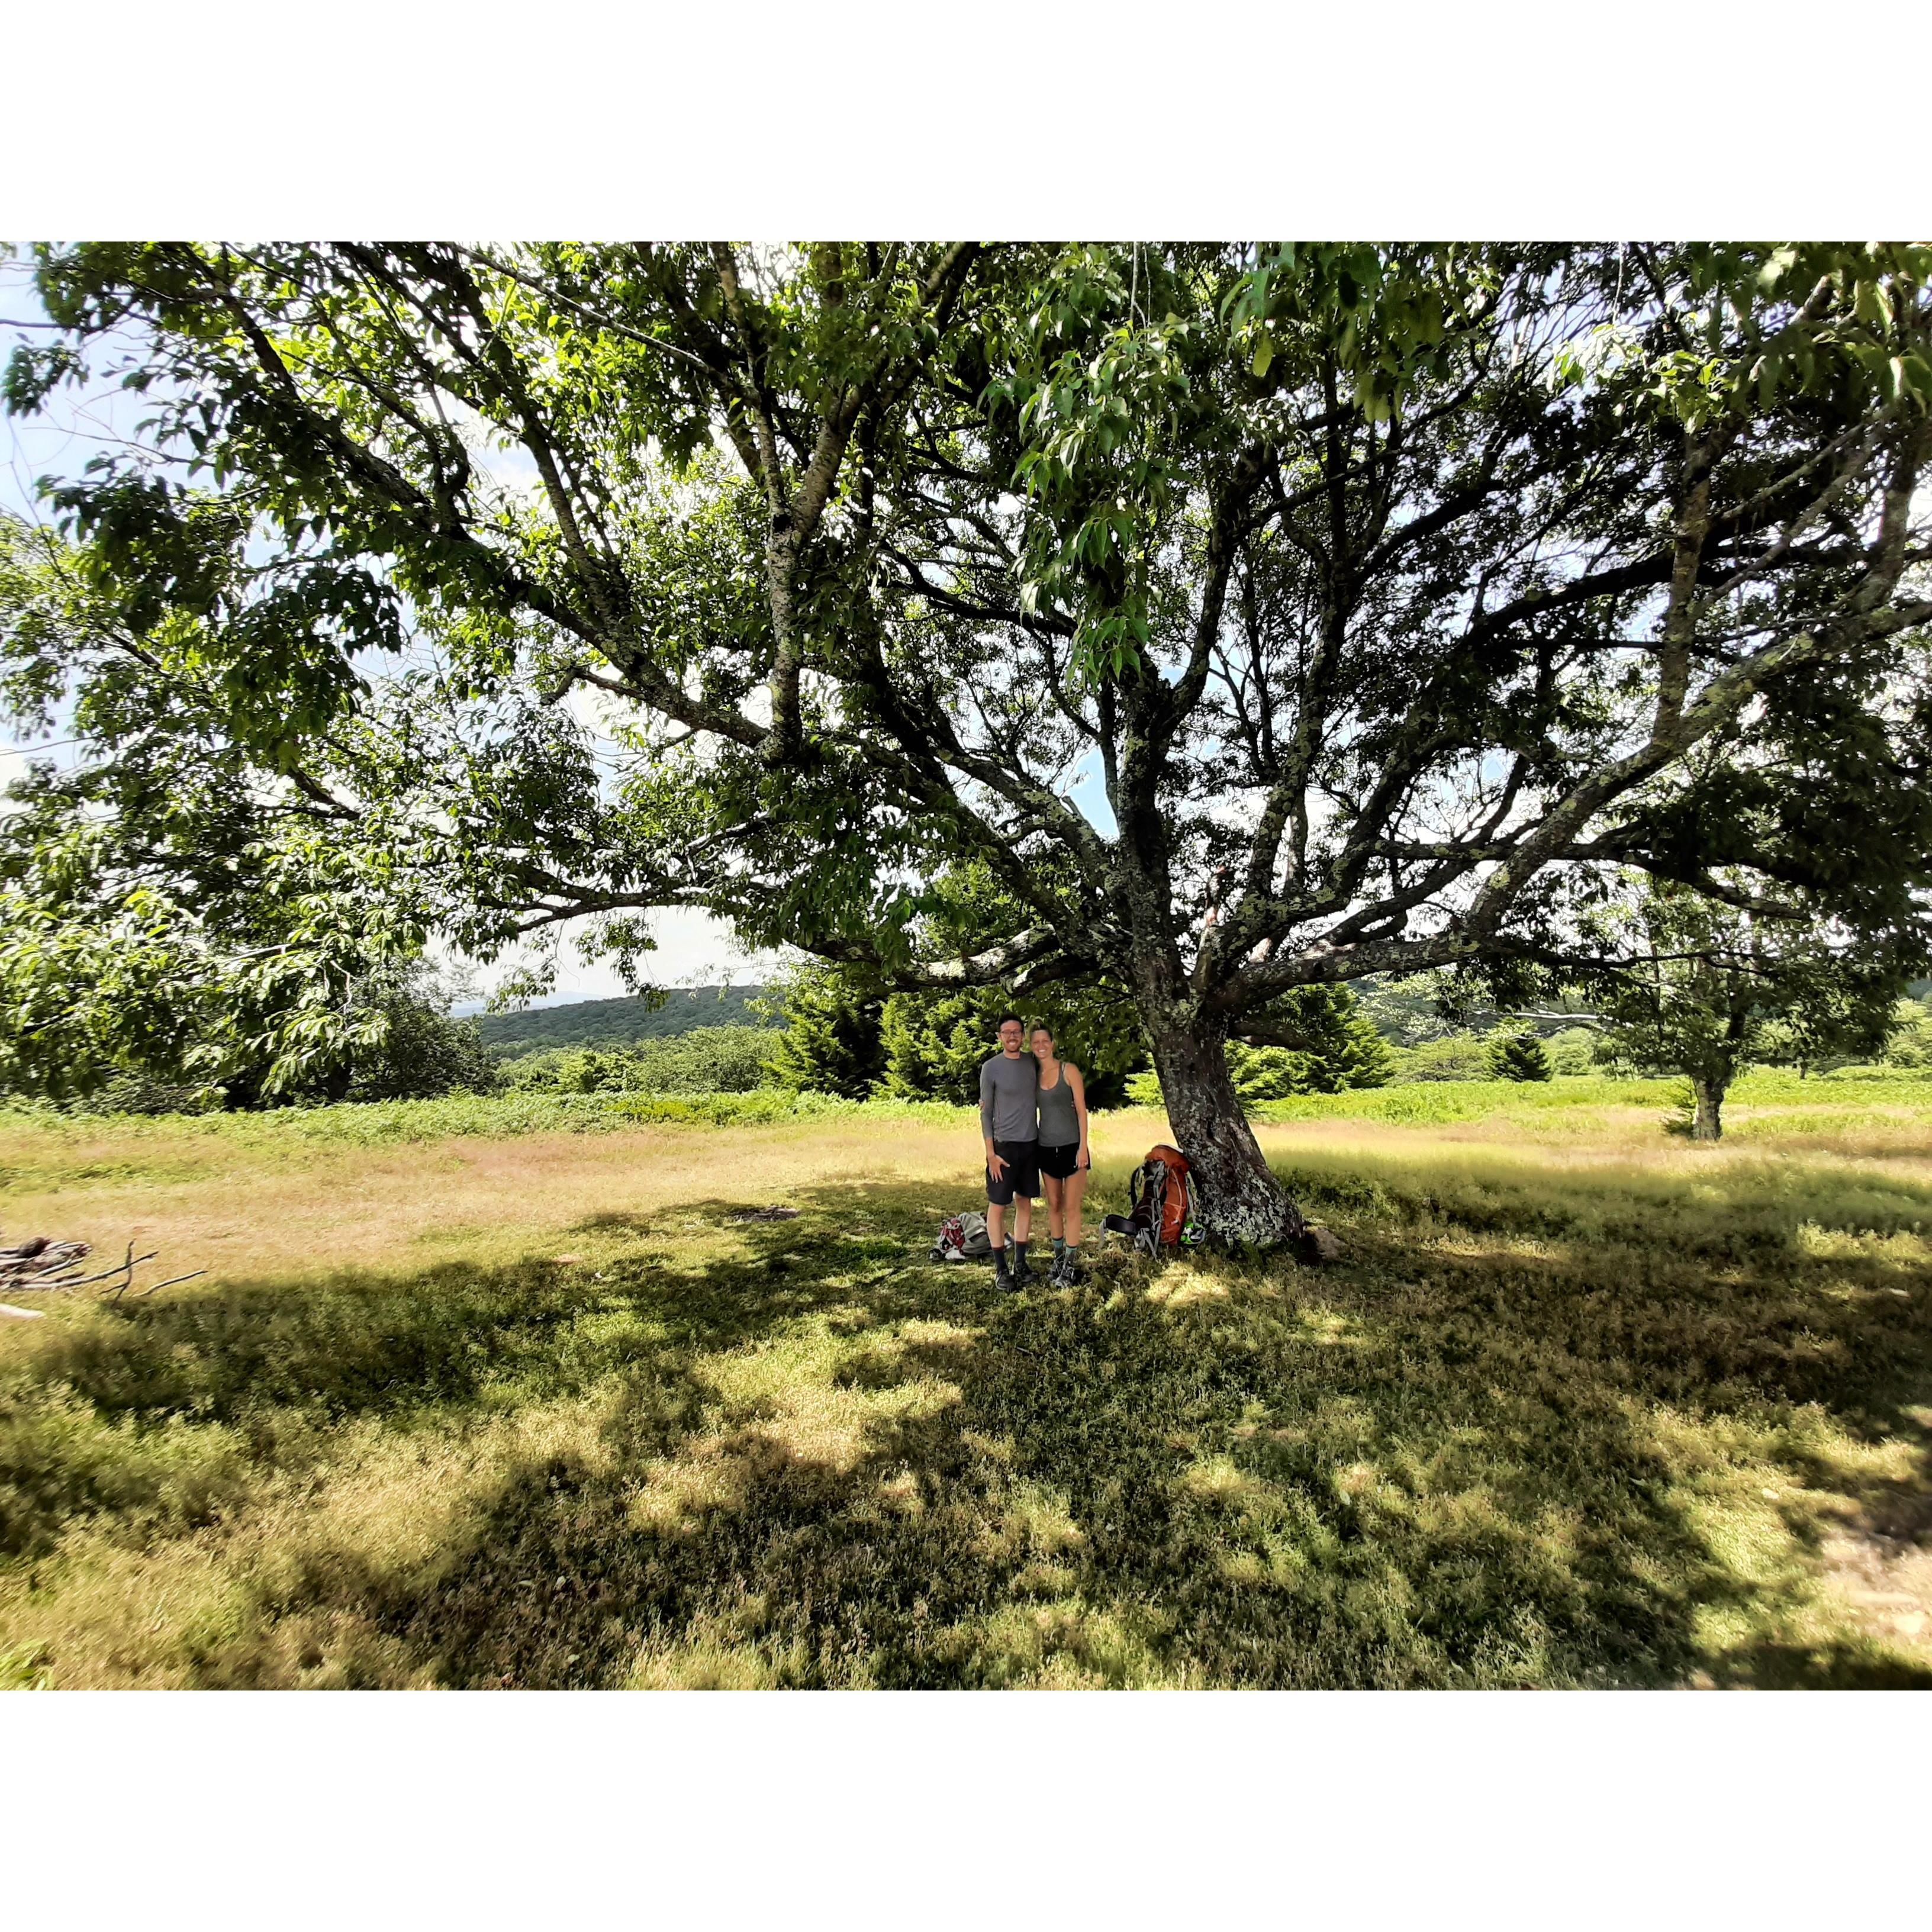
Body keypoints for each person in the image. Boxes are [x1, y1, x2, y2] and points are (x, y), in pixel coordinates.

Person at [979, 1012, 1039, 1291]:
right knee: (998, 1205)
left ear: (1023, 1035)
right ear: (1000, 1037)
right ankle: (1001, 1269)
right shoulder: (990, 1068)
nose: (1013, 1036)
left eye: (1017, 1032)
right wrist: (991, 1153)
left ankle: (1021, 1264)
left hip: (1030, 1144)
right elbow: (986, 1113)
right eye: (1007, 1032)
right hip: (1002, 1147)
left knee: (1025, 1202)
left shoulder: (1032, 1062)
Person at [1030, 1022, 1090, 1285]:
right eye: (1035, 1042)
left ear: (1053, 1043)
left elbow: (1082, 1112)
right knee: (1054, 1205)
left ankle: (1070, 1264)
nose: (1041, 1046)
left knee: (1071, 1206)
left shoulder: (1069, 1071)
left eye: (1045, 1040)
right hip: (1046, 1148)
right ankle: (1057, 1259)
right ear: (1031, 1047)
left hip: (1073, 1148)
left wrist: (1083, 1147)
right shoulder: (1032, 1075)